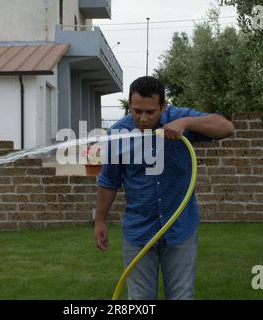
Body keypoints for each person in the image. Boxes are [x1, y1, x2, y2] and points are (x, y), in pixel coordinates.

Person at [94, 76, 234, 300]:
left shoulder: (180, 119)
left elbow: (226, 127)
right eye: (137, 111)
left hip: (180, 229)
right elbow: (109, 181)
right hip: (138, 230)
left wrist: (187, 124)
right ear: (129, 105)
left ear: (163, 106)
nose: (143, 118)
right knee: (140, 300)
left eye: (151, 112)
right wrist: (100, 219)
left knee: (181, 296)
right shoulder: (118, 134)